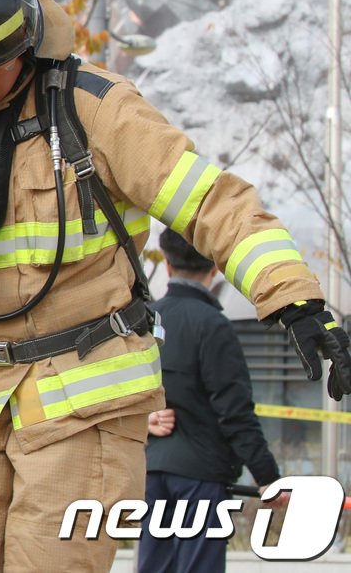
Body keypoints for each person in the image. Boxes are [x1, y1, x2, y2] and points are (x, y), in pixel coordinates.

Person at [0, 0, 351, 572]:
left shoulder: (93, 110)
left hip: (80, 404)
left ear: (21, 45)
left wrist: (294, 298)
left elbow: (212, 203)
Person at [137, 228, 284, 573]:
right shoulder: (214, 326)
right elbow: (235, 413)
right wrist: (268, 478)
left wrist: (143, 421)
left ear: (168, 268)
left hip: (151, 472)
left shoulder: (142, 322)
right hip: (201, 477)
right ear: (216, 267)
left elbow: (118, 394)